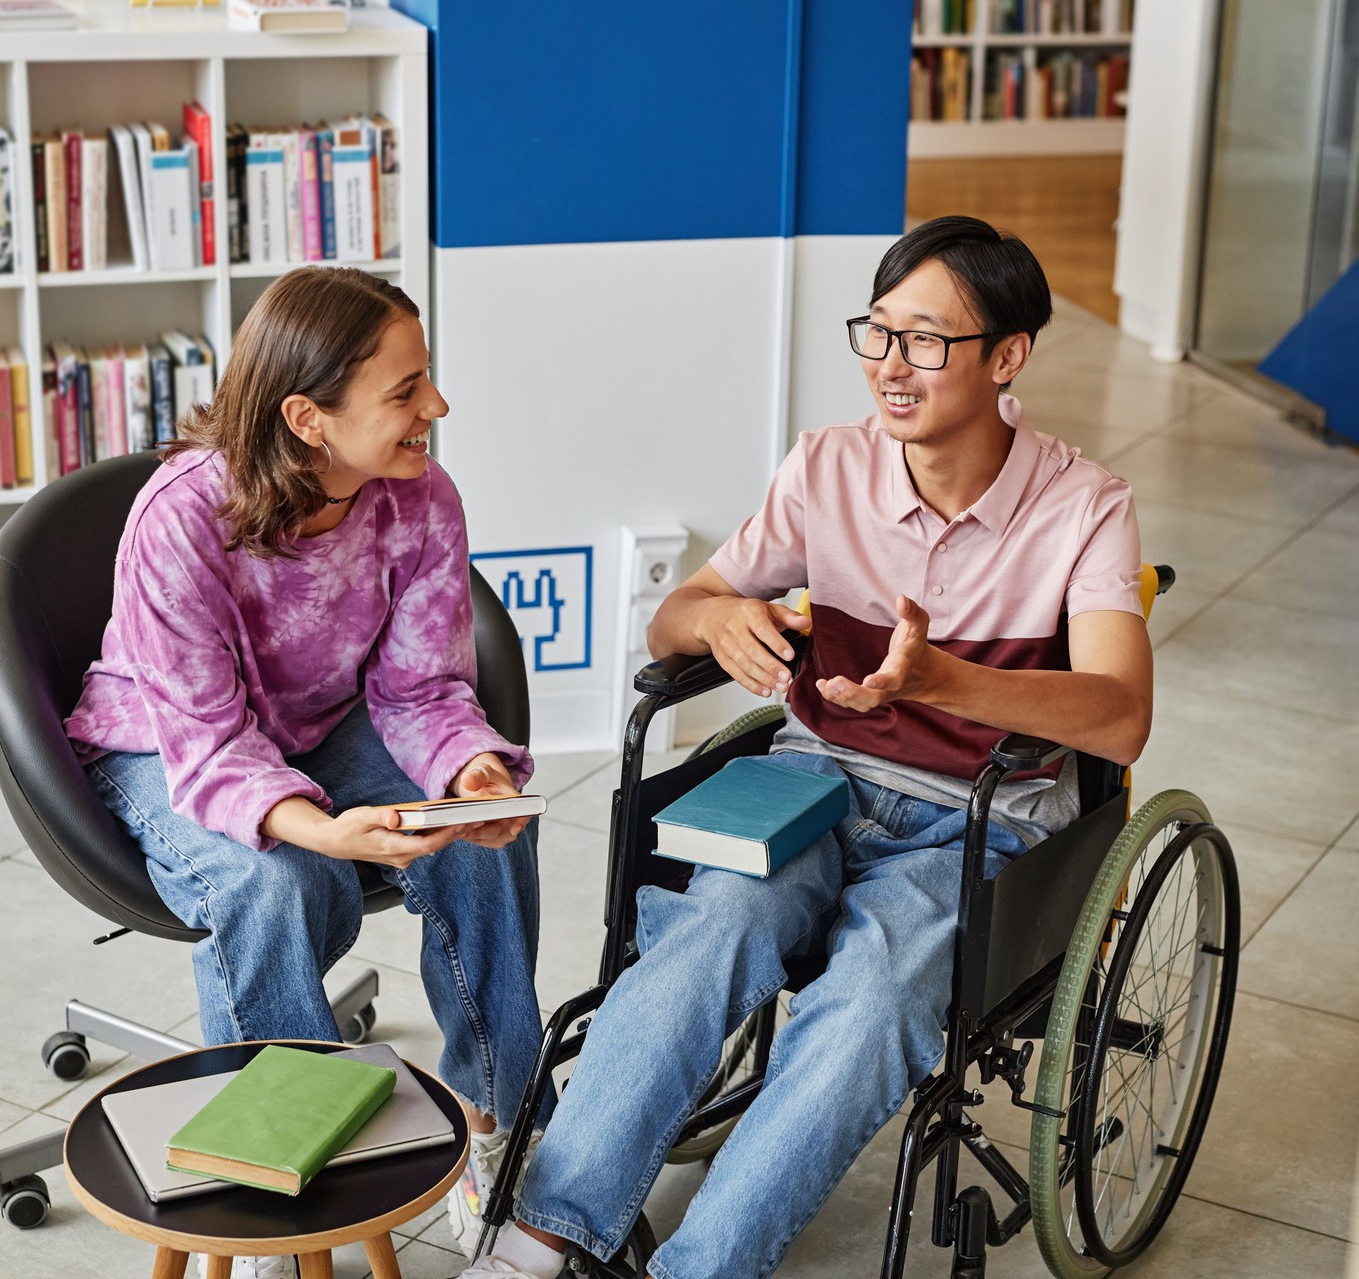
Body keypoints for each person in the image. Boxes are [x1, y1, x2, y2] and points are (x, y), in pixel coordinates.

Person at [456, 216, 1154, 1279]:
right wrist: (712, 620)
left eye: (925, 340)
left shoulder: (1085, 508)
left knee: (872, 997)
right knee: (709, 932)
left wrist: (941, 681)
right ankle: (540, 1240)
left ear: (1007, 355)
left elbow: (1119, 715)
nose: (889, 366)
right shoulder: (827, 467)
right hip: (809, 783)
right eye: (875, 334)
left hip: (977, 822)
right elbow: (675, 617)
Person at [65, 267, 543, 1273]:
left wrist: (471, 775)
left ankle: (495, 1113)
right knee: (274, 879)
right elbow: (205, 739)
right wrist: (320, 829)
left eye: (430, 379)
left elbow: (420, 694)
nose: (437, 407)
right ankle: (278, 1175)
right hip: (157, 743)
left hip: (317, 727)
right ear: (308, 418)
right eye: (406, 390)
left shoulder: (420, 498)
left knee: (477, 834)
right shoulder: (182, 520)